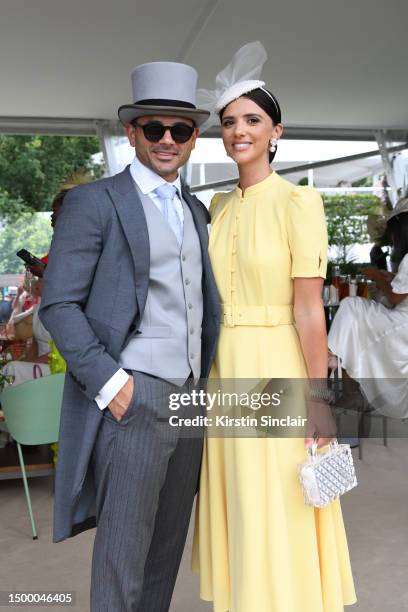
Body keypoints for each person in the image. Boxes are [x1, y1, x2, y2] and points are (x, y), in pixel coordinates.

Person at [39, 61, 219, 612]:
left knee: (165, 553)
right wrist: (113, 384)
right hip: (136, 394)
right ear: (131, 132)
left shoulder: (195, 210)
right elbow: (58, 304)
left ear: (192, 139)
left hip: (190, 399)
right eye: (154, 128)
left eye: (180, 130)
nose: (167, 140)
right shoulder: (96, 201)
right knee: (122, 558)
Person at [192, 43, 356, 612]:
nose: (239, 132)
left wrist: (319, 399)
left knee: (280, 494)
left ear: (275, 131)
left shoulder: (299, 203)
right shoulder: (214, 207)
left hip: (274, 364)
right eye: (229, 122)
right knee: (240, 494)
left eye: (252, 121)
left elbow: (310, 310)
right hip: (223, 367)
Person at [328, 198, 408, 418]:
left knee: (352, 307)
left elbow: (395, 297)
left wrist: (376, 277)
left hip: (401, 327)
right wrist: (390, 277)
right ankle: (342, 365)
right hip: (402, 324)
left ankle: (334, 356)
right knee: (356, 317)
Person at [3, 273, 52, 384]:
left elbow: (62, 355)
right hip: (39, 367)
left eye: (40, 279)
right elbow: (34, 346)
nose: (36, 282)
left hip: (58, 369)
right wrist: (25, 361)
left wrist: (27, 365)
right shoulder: (38, 308)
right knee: (8, 368)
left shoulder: (64, 311)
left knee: (12, 370)